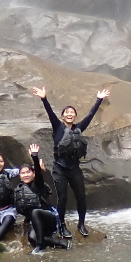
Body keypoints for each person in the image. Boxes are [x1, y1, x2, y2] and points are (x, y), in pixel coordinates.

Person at [31, 85, 110, 237]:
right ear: (62, 117)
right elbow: (50, 113)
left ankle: (81, 223)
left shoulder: (79, 128)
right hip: (59, 169)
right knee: (63, 197)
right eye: (66, 112)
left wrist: (99, 99)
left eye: (72, 113)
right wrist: (44, 98)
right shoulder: (57, 127)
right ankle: (61, 225)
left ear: (74, 116)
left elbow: (90, 115)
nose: (69, 114)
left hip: (74, 169)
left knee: (81, 196)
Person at [14, 144, 68, 255]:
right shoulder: (19, 189)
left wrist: (34, 157)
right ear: (20, 176)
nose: (26, 175)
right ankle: (62, 243)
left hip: (49, 218)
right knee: (32, 238)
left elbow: (38, 173)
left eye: (28, 172)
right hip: (36, 222)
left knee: (36, 211)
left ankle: (39, 247)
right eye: (23, 173)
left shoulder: (37, 184)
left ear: (33, 174)